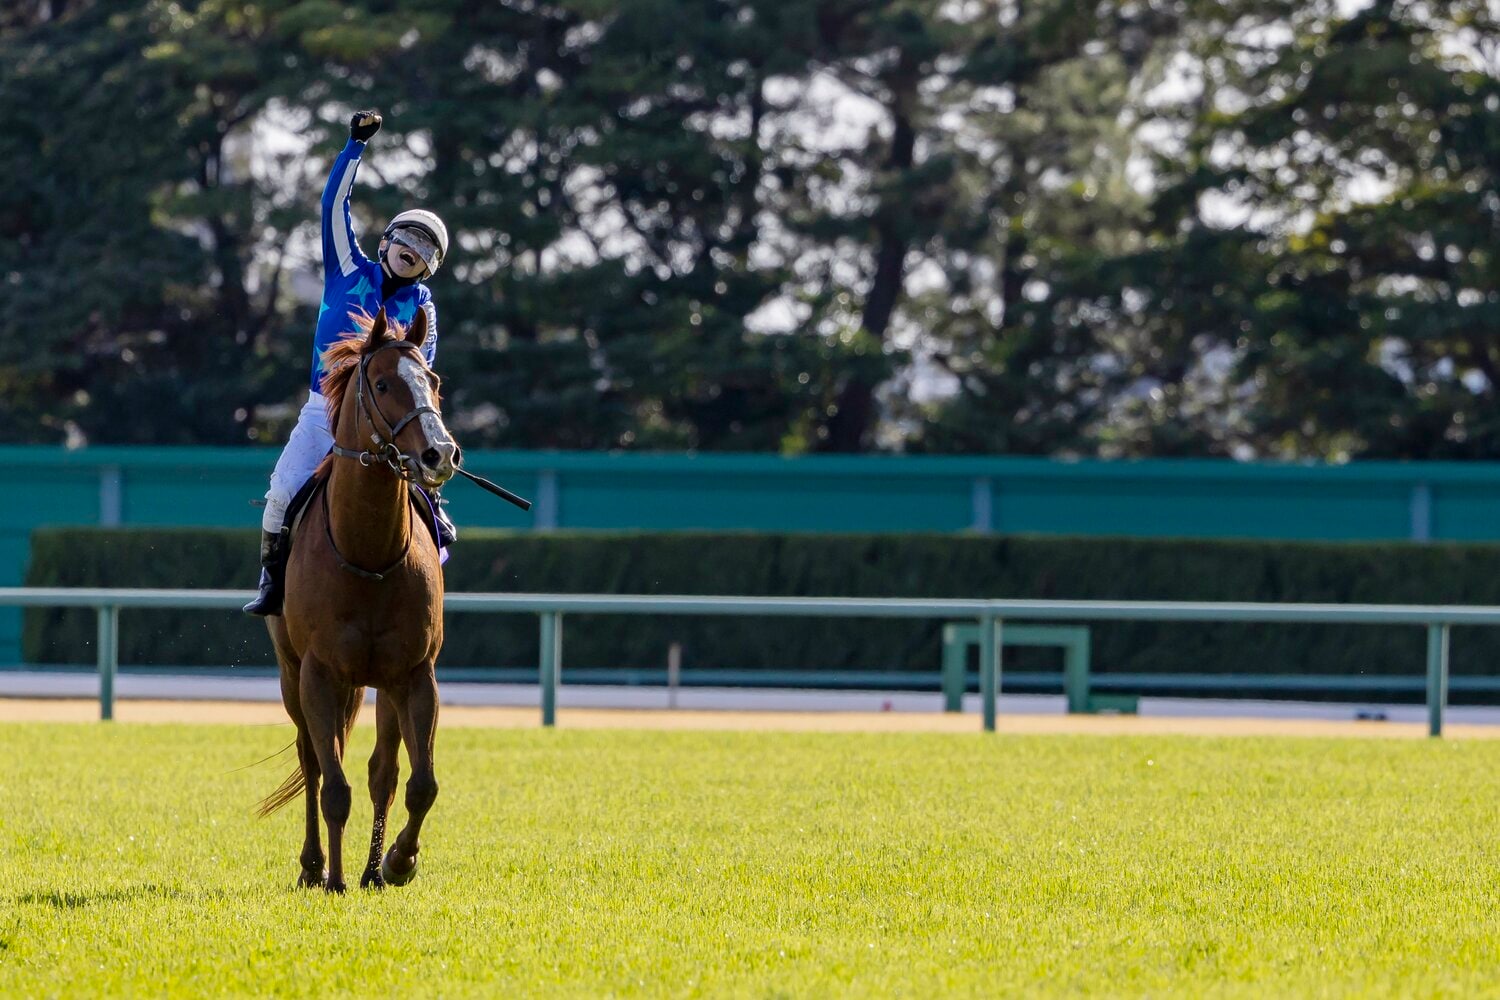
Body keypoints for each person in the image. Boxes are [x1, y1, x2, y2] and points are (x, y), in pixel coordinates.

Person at [245, 110, 453, 617]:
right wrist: (353, 148)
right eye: (408, 238)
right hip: (324, 413)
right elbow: (332, 203)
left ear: (431, 266)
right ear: (386, 241)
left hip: (389, 426)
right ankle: (274, 589)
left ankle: (419, 603)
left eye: (427, 248)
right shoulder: (346, 266)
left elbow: (419, 378)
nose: (414, 249)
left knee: (438, 524)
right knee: (278, 499)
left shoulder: (422, 305)